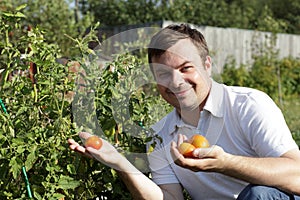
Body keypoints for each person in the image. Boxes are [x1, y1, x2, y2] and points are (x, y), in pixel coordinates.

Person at [68, 23, 300, 199]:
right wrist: (119, 162)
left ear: (207, 65)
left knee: (259, 194)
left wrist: (226, 163)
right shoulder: (160, 135)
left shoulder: (247, 104)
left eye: (185, 68)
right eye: (164, 74)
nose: (175, 82)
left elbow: (297, 175)